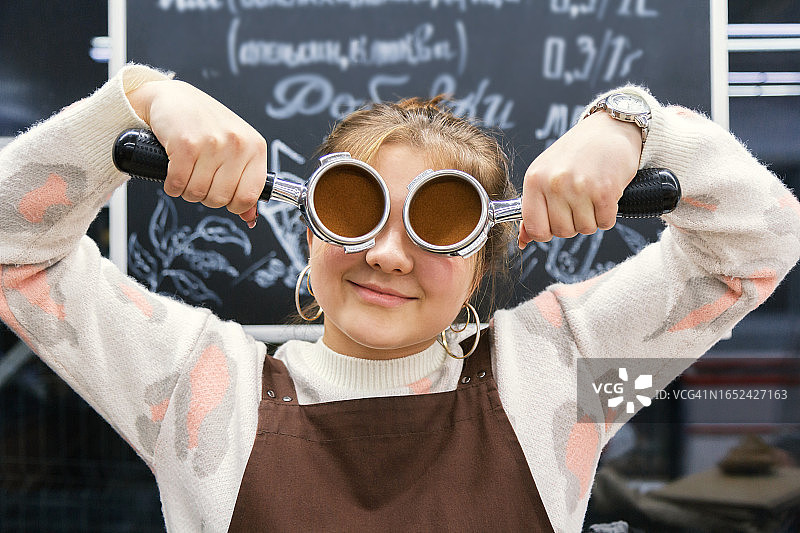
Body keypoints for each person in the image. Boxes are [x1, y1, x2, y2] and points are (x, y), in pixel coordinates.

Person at [0, 63, 798, 533]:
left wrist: (633, 126)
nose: (387, 251)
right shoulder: (194, 388)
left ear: (482, 256)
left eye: (435, 221)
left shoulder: (567, 381)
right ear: (309, 223)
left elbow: (759, 249)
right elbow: (14, 260)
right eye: (356, 207)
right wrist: (140, 99)